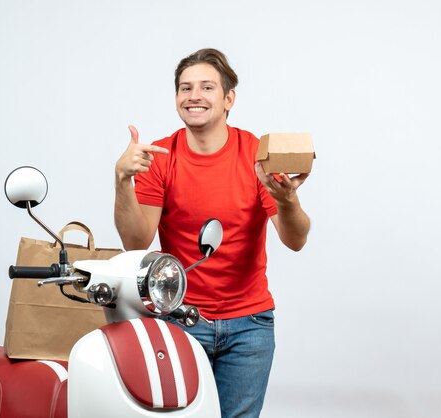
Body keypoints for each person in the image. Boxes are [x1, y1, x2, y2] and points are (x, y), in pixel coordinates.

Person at [114, 48, 311, 418]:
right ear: (176, 99)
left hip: (249, 325)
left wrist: (287, 201)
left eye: (207, 87)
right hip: (180, 319)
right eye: (185, 88)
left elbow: (296, 240)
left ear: (228, 99)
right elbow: (135, 242)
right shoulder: (161, 156)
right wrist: (122, 181)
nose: (194, 96)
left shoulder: (255, 154)